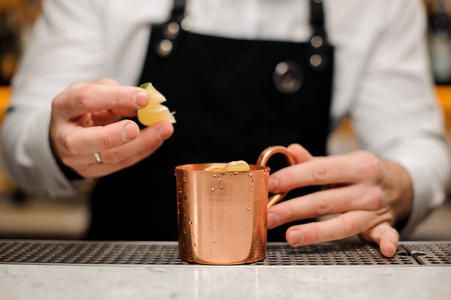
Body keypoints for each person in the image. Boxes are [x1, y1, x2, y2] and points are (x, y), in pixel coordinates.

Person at [2, 0, 449, 258]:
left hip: (295, 271)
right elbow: (20, 143)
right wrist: (58, 142)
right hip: (124, 269)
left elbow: (418, 145)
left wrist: (400, 183)